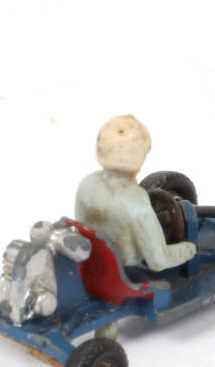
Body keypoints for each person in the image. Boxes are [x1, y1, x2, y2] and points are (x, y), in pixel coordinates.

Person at [74, 115, 196, 272]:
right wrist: (189, 249)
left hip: (93, 259)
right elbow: (158, 261)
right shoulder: (136, 202)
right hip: (126, 271)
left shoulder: (87, 184)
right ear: (138, 154)